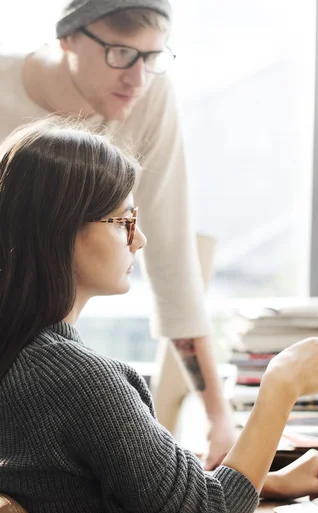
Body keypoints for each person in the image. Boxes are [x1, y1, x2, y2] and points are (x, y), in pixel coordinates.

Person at [0, 118, 318, 513]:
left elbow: (101, 488)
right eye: (124, 222)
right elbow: (208, 510)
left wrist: (266, 482)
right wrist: (280, 388)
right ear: (61, 231)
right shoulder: (78, 380)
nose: (140, 239)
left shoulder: (23, 357)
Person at [0, 0, 236, 468]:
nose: (138, 78)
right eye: (121, 54)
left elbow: (170, 257)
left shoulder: (150, 94)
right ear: (67, 37)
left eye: (153, 58)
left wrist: (218, 417)